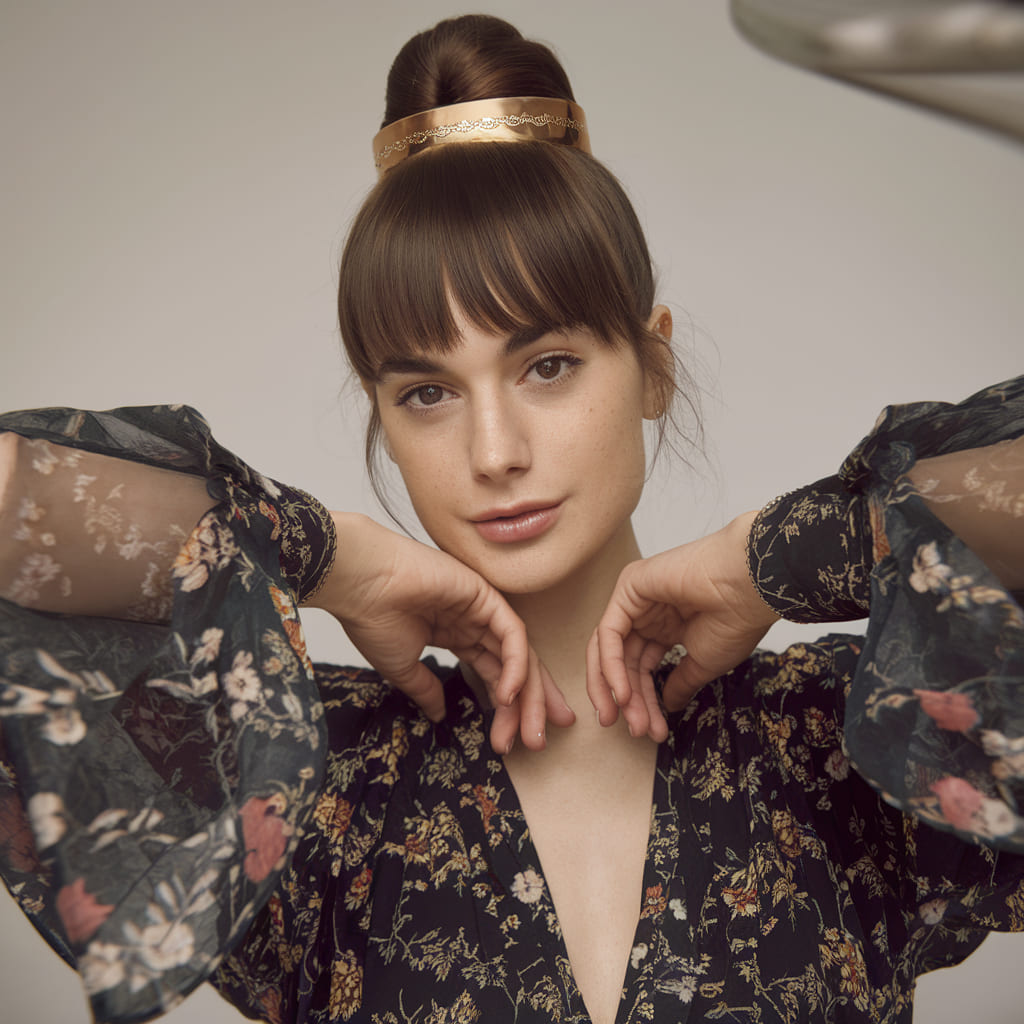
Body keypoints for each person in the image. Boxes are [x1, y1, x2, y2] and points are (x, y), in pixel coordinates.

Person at [1, 11, 1022, 1024]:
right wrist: (324, 552)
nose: (494, 452)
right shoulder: (312, 776)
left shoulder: (844, 737)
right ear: (384, 420)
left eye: (546, 366)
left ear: (651, 364)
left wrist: (796, 552)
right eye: (427, 393)